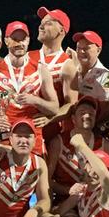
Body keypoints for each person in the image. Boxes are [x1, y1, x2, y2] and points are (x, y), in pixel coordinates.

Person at [0, 21, 59, 155]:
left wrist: (34, 100)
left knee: (37, 174)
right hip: (6, 137)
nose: (20, 43)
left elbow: (54, 108)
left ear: (28, 40)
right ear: (6, 41)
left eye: (23, 39)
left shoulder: (41, 70)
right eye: (15, 39)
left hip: (33, 137)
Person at [45, 133, 109, 217]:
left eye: (97, 168)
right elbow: (56, 213)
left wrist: (82, 146)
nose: (93, 172)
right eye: (90, 165)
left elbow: (105, 177)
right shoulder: (82, 190)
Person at [47, 97, 109, 202]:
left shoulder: (105, 145)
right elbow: (47, 179)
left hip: (94, 201)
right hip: (65, 199)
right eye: (82, 112)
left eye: (91, 114)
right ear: (73, 119)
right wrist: (67, 190)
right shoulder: (58, 142)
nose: (87, 116)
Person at [28, 7, 78, 140]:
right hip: (23, 130)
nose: (41, 26)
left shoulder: (67, 65)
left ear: (61, 30)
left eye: (48, 23)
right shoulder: (27, 57)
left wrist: (50, 118)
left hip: (51, 134)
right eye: (41, 23)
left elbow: (71, 104)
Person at [72, 30, 109, 113]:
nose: (81, 51)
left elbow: (107, 108)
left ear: (98, 50)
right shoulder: (71, 70)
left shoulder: (106, 75)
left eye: (86, 48)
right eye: (79, 48)